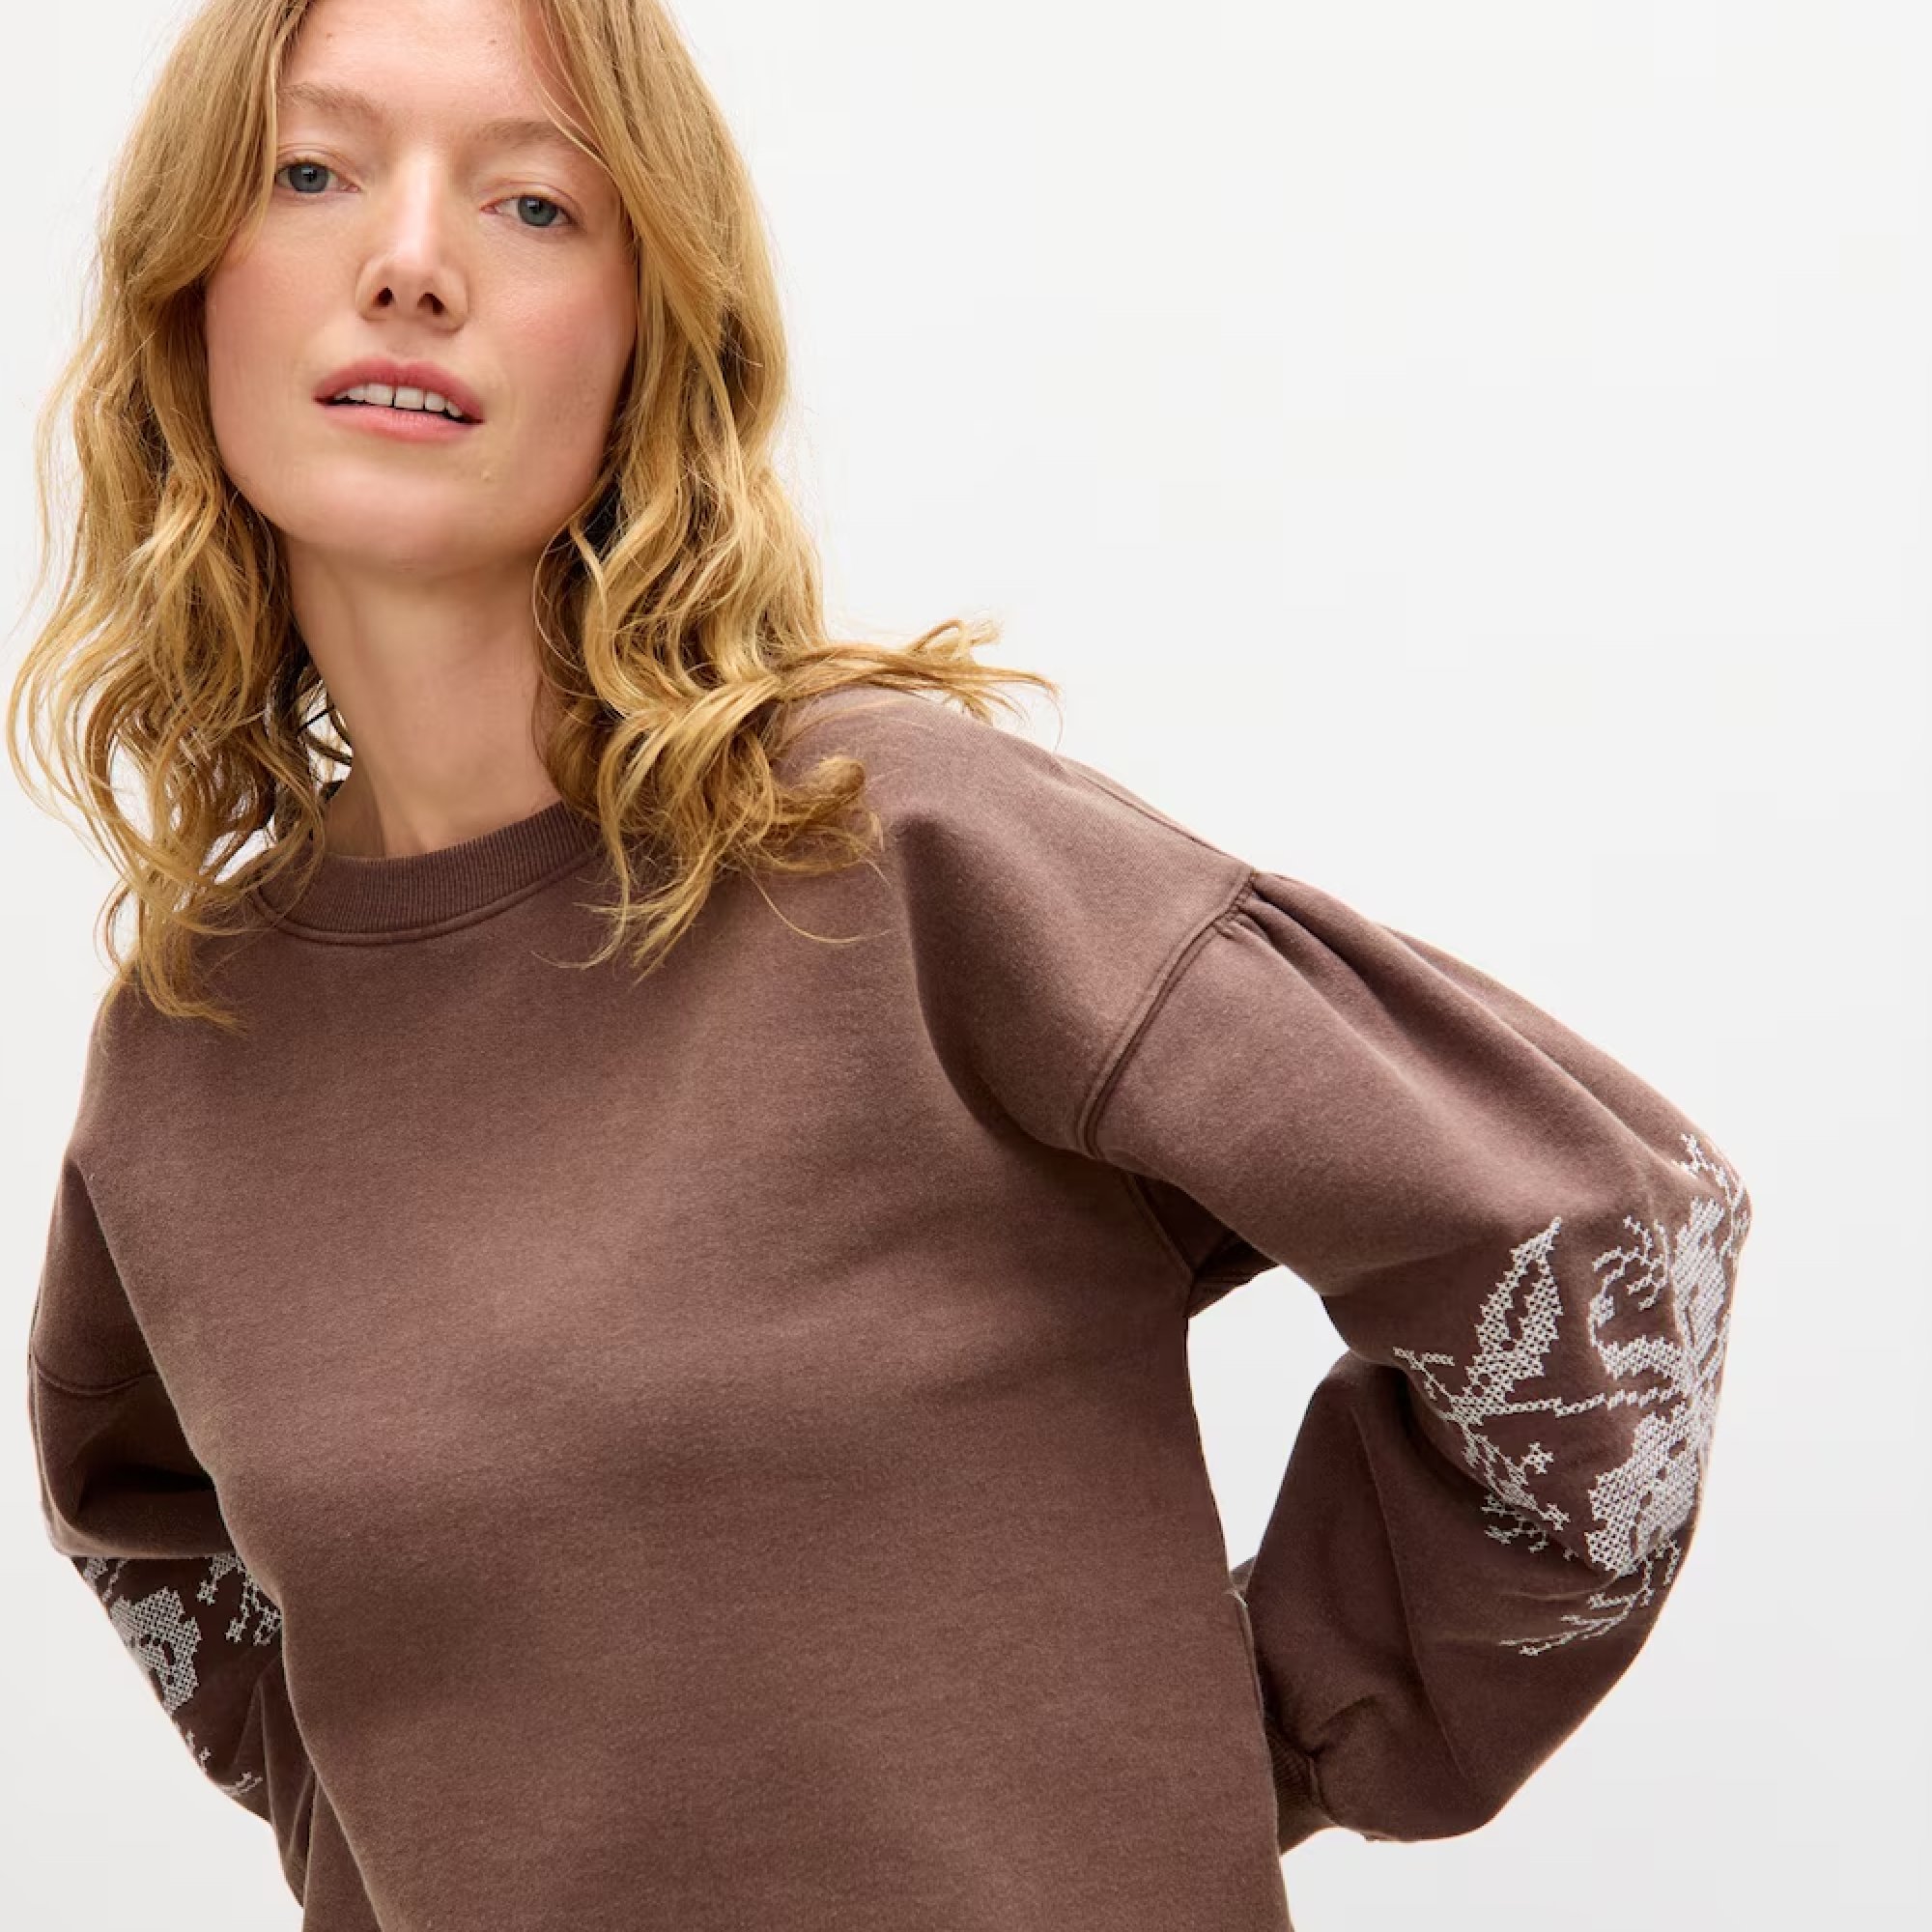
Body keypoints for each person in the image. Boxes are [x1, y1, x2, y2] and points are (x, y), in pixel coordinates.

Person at [8, 2, 1753, 1929]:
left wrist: (1254, 1739)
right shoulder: (191, 1052)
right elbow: (150, 1532)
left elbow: (1590, 1237)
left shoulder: (895, 851)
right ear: (188, 293)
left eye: (534, 203)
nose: (411, 260)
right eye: (311, 171)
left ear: (651, 337)